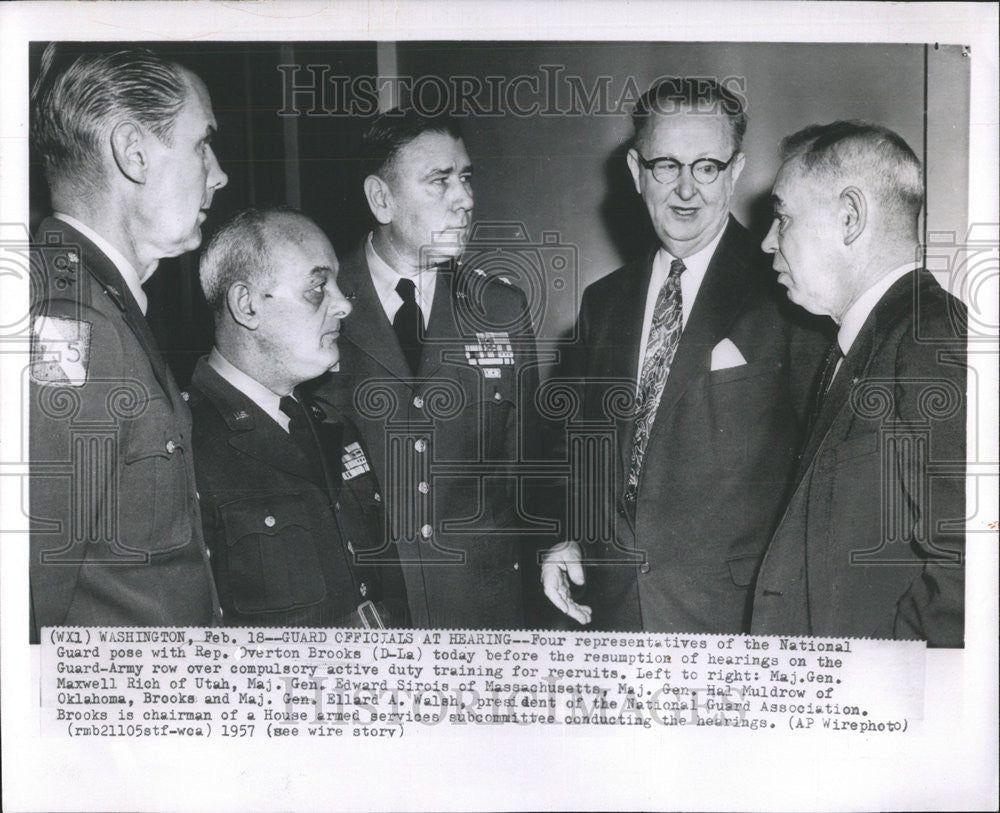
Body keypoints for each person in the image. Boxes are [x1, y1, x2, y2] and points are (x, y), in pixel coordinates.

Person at [542, 78, 825, 633]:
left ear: (736, 170)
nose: (686, 191)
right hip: (609, 614)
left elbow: (819, 473)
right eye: (667, 166)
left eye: (707, 167)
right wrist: (567, 533)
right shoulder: (603, 302)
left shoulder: (788, 292)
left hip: (733, 622)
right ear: (635, 171)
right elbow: (578, 446)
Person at [309, 108, 545, 629]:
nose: (464, 199)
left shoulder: (499, 309)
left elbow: (526, 464)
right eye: (439, 182)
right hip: (368, 617)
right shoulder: (318, 302)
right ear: (381, 199)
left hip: (481, 616)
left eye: (465, 179)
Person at [28, 47, 228, 640]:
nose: (218, 174)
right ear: (133, 152)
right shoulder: (68, 322)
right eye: (202, 144)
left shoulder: (101, 304)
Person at [751, 121, 966, 646]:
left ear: (850, 217)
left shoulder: (931, 335)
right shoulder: (865, 342)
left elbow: (971, 562)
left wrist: (884, 685)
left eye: (782, 217)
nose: (766, 242)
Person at [186, 208, 409, 627]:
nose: (343, 304)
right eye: (318, 287)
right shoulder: (185, 445)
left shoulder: (330, 422)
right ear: (247, 305)